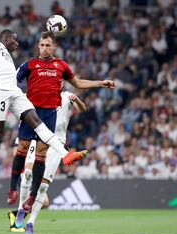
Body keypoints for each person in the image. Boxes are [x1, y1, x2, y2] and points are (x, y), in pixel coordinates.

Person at [0, 29, 89, 197]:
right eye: (14, 40)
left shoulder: (9, 58)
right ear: (6, 37)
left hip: (14, 92)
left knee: (37, 121)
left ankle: (65, 155)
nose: (17, 44)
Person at [9, 31, 116, 213]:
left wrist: (101, 83)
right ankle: (13, 189)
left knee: (40, 156)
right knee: (22, 150)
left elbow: (78, 83)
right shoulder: (29, 65)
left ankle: (33, 197)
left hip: (50, 114)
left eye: (48, 45)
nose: (44, 49)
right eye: (42, 45)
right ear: (38, 46)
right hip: (30, 113)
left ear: (54, 47)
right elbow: (12, 81)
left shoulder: (61, 65)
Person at [12, 91, 86, 234]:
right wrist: (17, 142)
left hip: (57, 144)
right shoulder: (40, 94)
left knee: (43, 186)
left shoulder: (66, 96)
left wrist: (77, 100)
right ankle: (21, 210)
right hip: (39, 138)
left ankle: (31, 223)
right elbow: (27, 117)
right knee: (27, 173)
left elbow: (82, 108)